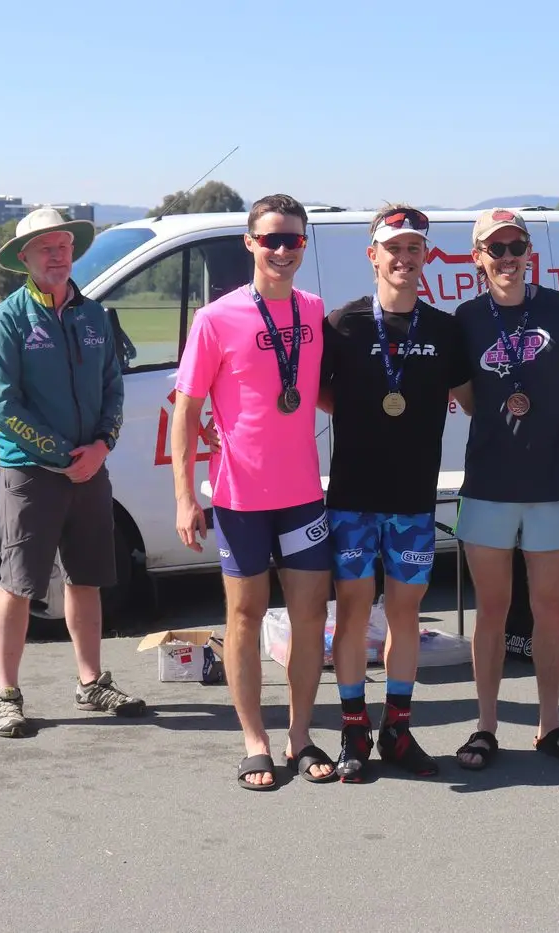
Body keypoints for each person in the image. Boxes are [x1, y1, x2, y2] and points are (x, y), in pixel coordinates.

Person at [170, 194, 337, 790]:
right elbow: (185, 413)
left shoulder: (315, 312)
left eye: (293, 239)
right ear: (250, 243)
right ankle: (253, 740)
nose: (283, 249)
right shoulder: (216, 318)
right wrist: (186, 497)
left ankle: (300, 734)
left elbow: (318, 393)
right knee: (243, 616)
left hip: (301, 496)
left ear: (304, 245)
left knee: (309, 615)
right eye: (271, 239)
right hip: (239, 498)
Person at [450, 208, 559, 770]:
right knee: (492, 612)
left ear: (530, 253)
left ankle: (550, 724)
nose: (506, 258)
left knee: (550, 610)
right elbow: (467, 398)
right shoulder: (466, 319)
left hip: (551, 487)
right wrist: (513, 416)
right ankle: (486, 727)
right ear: (477, 257)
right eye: (494, 249)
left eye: (514, 246)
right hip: (488, 487)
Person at [0, 207, 145, 738]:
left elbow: (114, 388)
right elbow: (3, 406)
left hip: (90, 469)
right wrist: (60, 456)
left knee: (88, 576)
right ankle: (6, 695)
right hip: (30, 471)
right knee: (19, 582)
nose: (56, 255)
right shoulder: (7, 321)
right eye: (44, 247)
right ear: (23, 258)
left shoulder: (95, 316)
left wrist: (100, 447)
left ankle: (92, 682)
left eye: (64, 246)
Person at [318, 205, 473, 782]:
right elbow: (320, 393)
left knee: (406, 615)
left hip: (412, 499)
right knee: (355, 615)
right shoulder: (344, 325)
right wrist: (368, 418)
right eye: (393, 249)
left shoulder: (445, 329)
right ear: (372, 256)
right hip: (354, 498)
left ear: (426, 257)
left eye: (414, 249)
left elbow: (471, 398)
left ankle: (398, 730)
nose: (403, 259)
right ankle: (354, 730)